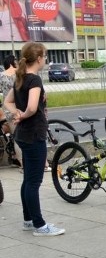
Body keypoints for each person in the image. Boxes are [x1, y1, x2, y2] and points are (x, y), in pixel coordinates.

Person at [3, 43, 64, 236]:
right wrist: (23, 114)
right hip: (34, 134)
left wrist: (16, 114)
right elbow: (31, 107)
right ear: (38, 58)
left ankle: (28, 220)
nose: (45, 59)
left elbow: (7, 101)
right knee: (34, 182)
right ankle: (39, 225)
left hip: (23, 135)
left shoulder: (20, 78)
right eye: (44, 56)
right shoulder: (34, 80)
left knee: (27, 180)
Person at [1, 55, 21, 167]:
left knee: (14, 133)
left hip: (7, 108)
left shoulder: (2, 76)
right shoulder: (19, 74)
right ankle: (23, 163)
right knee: (19, 136)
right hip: (19, 107)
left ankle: (14, 156)